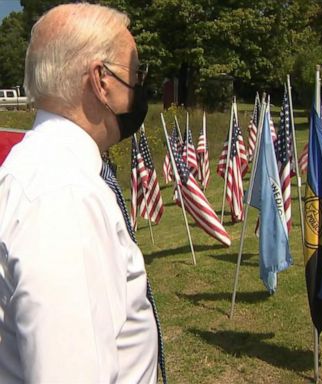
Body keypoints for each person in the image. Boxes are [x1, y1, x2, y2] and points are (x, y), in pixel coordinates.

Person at [0, 3, 165, 383]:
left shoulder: (42, 168)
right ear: (101, 80)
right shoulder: (64, 195)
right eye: (135, 73)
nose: (140, 86)